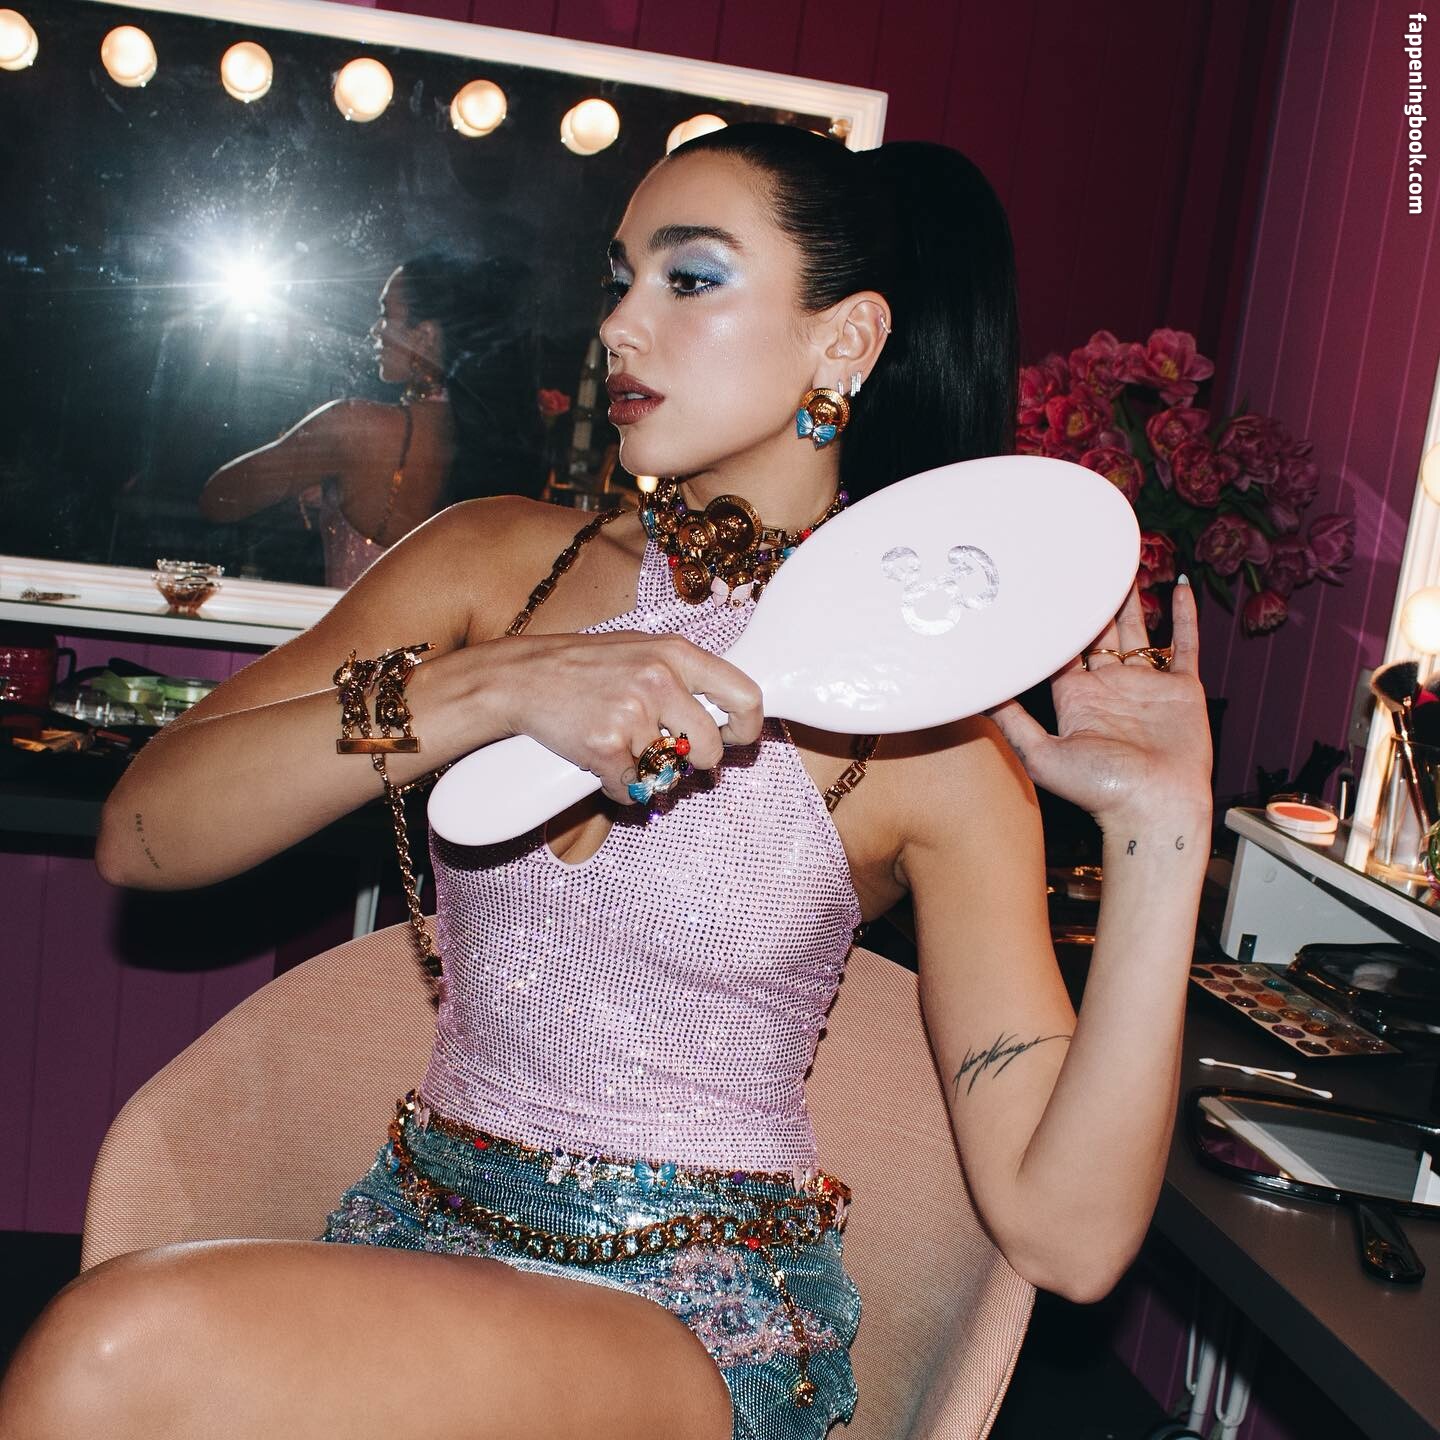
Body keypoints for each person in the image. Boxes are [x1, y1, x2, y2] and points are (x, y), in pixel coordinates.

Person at [0, 124, 1212, 1440]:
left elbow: (1069, 1241)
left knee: (107, 1353)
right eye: (619, 279)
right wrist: (485, 689)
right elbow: (146, 830)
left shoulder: (927, 738)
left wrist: (1162, 838)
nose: (622, 324)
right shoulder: (492, 565)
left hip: (688, 1320)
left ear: (846, 341)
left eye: (690, 279)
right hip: (413, 1239)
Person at [199, 254, 545, 588]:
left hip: (353, 631)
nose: (375, 330)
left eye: (385, 314)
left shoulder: (355, 428)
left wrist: (304, 450)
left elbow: (219, 499)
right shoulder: (480, 439)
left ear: (424, 336)